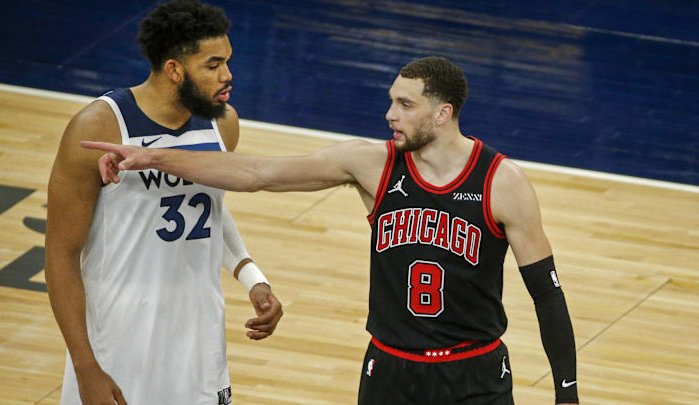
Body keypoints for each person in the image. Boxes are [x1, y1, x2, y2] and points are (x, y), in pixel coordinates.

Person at [83, 56, 580, 404]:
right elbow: (257, 174)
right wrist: (149, 156)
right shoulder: (370, 164)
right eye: (391, 101)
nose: (390, 114)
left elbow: (547, 295)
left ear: (443, 113)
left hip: (473, 371)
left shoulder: (502, 182)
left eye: (405, 105)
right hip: (389, 367)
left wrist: (567, 395)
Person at [45, 1, 283, 404]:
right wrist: (86, 366)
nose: (227, 75)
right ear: (174, 69)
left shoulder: (222, 122)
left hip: (198, 338)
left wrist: (251, 277)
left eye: (227, 61)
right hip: (119, 342)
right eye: (213, 65)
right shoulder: (99, 125)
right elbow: (60, 256)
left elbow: (210, 207)